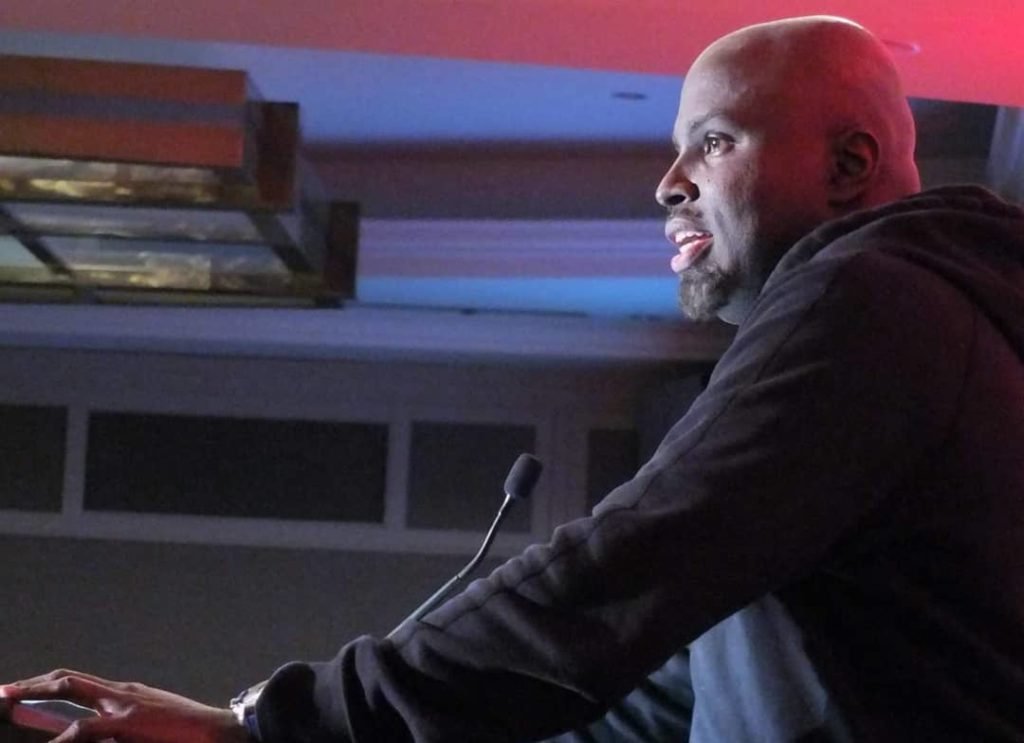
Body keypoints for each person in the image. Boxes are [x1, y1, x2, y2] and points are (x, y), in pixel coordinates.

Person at [4, 14, 1024, 742]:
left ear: (848, 166)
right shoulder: (905, 330)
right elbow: (665, 690)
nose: (667, 184)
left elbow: (620, 573)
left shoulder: (872, 297)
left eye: (712, 142)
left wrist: (268, 725)